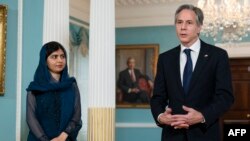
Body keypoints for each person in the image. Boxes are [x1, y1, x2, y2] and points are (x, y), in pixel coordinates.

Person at [150, 4, 234, 141]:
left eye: (189, 23)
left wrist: (202, 116)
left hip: (205, 135)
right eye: (179, 22)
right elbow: (157, 97)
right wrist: (161, 116)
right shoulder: (165, 58)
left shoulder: (217, 56)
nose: (183, 27)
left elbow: (225, 97)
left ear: (199, 27)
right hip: (172, 135)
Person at [26, 41, 82, 141]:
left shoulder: (71, 85)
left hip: (65, 139)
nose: (60, 60)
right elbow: (31, 119)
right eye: (54, 56)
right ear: (44, 60)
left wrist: (63, 136)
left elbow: (76, 115)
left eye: (62, 56)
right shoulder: (35, 88)